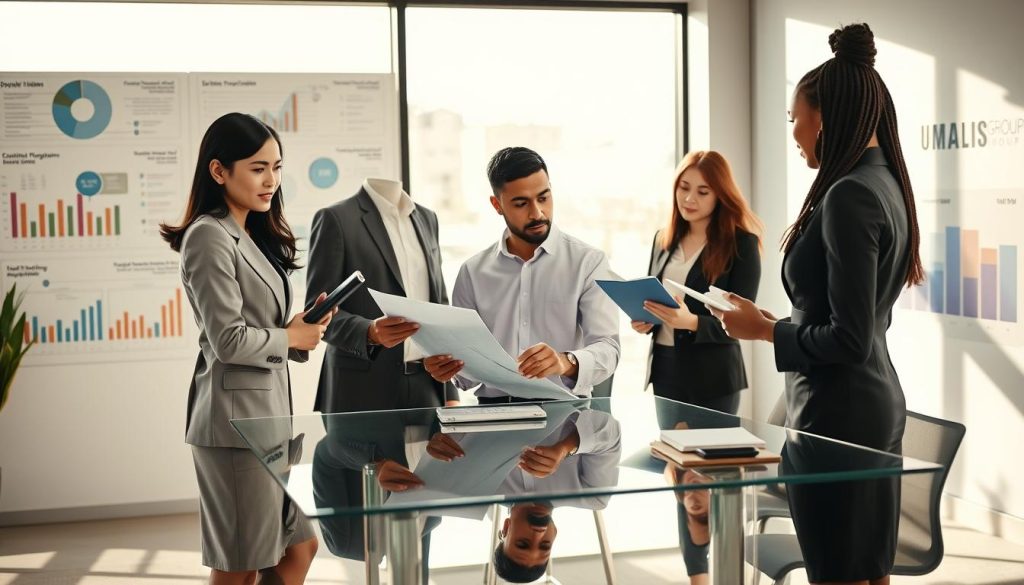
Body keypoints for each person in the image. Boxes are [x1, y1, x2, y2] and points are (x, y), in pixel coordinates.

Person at [713, 24, 924, 585]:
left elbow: (847, 340)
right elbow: (849, 323)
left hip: (838, 417)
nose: (794, 133)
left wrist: (764, 332)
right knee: (866, 573)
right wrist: (769, 322)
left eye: (794, 120)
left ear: (823, 117)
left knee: (841, 574)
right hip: (866, 408)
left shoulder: (849, 194)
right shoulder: (884, 183)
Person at [160, 112, 331, 585]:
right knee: (239, 568)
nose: (272, 180)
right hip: (234, 430)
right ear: (219, 171)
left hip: (267, 420)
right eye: (258, 168)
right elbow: (228, 339)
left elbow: (260, 331)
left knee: (297, 548)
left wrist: (296, 332)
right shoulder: (207, 236)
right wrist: (290, 338)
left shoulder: (250, 233)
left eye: (277, 167)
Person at [423, 147, 620, 402]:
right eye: (521, 203)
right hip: (492, 414)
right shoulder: (472, 273)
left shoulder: (588, 262)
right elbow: (466, 377)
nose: (537, 213)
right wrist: (448, 368)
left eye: (543, 198)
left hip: (566, 414)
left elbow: (609, 349)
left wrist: (565, 361)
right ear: (497, 205)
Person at [306, 177, 458, 413]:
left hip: (428, 388)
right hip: (360, 390)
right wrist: (369, 332)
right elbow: (317, 312)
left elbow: (439, 304)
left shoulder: (428, 219)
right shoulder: (336, 219)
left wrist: (450, 391)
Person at [631, 150, 762, 424]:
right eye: (684, 187)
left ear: (720, 195)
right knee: (672, 461)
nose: (689, 199)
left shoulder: (741, 245)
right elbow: (652, 295)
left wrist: (691, 322)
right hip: (665, 368)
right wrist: (646, 319)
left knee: (711, 465)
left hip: (712, 377)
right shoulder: (662, 240)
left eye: (703, 192)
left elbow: (743, 324)